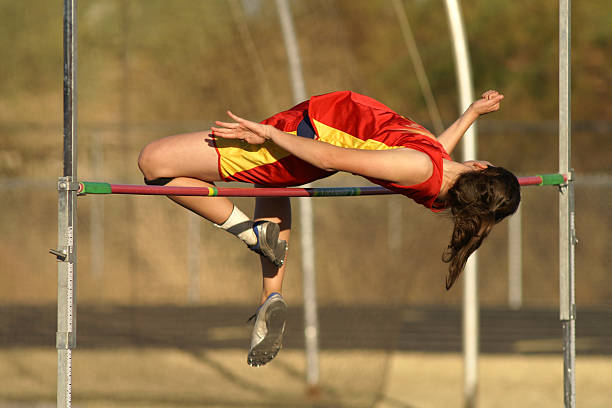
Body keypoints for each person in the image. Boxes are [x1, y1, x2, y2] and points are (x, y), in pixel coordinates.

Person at [137, 89, 520, 367]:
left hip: (303, 140)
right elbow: (434, 152)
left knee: (154, 163)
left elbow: (332, 156)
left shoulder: (420, 167)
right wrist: (471, 113)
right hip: (304, 133)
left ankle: (248, 232)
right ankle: (271, 294)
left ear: (481, 169)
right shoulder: (435, 165)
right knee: (270, 187)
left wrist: (272, 136)